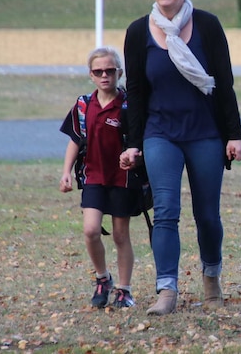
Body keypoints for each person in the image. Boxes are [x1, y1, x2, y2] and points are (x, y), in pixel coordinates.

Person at [119, 0, 241, 315]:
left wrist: (234, 135)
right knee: (165, 212)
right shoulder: (137, 31)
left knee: (207, 214)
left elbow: (224, 84)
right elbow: (136, 92)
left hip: (205, 134)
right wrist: (133, 144)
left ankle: (211, 279)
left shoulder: (207, 26)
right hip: (159, 133)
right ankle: (166, 290)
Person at [59, 46, 141, 309]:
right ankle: (102, 278)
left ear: (120, 72)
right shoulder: (84, 105)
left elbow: (139, 142)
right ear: (91, 75)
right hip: (93, 176)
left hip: (122, 179)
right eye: (98, 71)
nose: (104, 75)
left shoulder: (129, 105)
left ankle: (124, 290)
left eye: (110, 70)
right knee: (91, 230)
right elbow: (75, 140)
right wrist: (66, 173)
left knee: (120, 235)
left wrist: (135, 157)